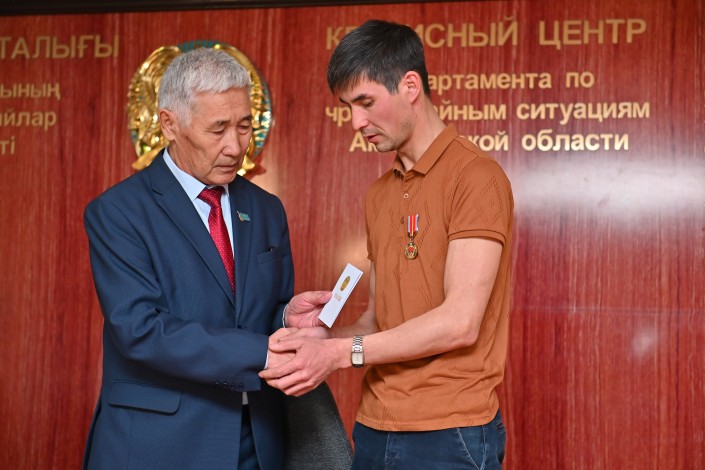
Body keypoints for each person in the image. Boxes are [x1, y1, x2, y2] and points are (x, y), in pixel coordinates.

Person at [260, 19, 514, 469]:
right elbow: (377, 321)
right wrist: (323, 338)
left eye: (366, 102)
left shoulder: (476, 177)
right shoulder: (379, 194)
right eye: (348, 107)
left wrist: (338, 354)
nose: (356, 122)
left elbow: (460, 323)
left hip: (451, 432)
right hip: (375, 428)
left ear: (410, 86)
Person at [82, 47, 330, 470]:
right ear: (169, 124)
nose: (235, 147)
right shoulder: (118, 212)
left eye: (244, 127)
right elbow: (140, 330)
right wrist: (261, 352)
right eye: (218, 129)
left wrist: (288, 318)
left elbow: (258, 316)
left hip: (257, 441)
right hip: (159, 446)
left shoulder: (266, 209)